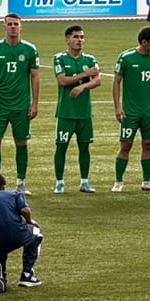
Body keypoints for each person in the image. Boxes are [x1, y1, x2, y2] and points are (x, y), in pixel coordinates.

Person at [0, 14, 40, 194]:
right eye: (9, 24)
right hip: (0, 107)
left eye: (16, 24)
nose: (13, 27)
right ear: (4, 27)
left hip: (21, 107)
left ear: (21, 27)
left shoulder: (30, 49)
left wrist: (34, 103)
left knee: (21, 142)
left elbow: (35, 76)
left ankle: (21, 182)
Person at [112, 26, 150, 192]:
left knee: (148, 144)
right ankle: (118, 182)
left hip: (149, 111)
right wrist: (117, 106)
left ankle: (146, 181)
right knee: (126, 145)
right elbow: (116, 82)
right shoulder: (126, 57)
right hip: (131, 111)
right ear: (144, 42)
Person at [52, 24, 101, 194]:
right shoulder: (59, 58)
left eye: (81, 37)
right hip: (65, 112)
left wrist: (82, 87)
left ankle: (84, 182)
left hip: (84, 113)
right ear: (67, 40)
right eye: (75, 37)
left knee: (85, 147)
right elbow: (63, 81)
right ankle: (59, 182)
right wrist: (84, 75)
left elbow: (98, 80)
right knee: (61, 146)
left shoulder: (89, 59)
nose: (79, 40)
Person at [0, 173, 43, 291]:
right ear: (3, 187)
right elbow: (25, 210)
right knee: (36, 233)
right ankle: (26, 275)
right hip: (13, 233)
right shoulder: (14, 194)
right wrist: (30, 221)